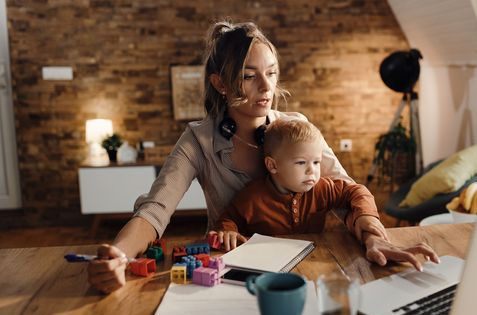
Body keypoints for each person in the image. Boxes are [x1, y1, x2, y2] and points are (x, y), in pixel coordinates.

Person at [87, 21, 436, 294]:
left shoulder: (296, 127)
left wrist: (375, 236)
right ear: (220, 84)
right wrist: (119, 256)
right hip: (229, 272)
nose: (266, 88)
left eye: (271, 73)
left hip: (307, 267)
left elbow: (347, 192)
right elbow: (154, 210)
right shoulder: (198, 139)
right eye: (248, 77)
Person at [210, 120, 438, 262]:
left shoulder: (322, 188)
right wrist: (226, 231)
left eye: (317, 162)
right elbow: (228, 219)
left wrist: (367, 218)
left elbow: (357, 191)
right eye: (301, 163)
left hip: (316, 259)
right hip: (267, 267)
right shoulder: (251, 197)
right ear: (272, 165)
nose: (312, 171)